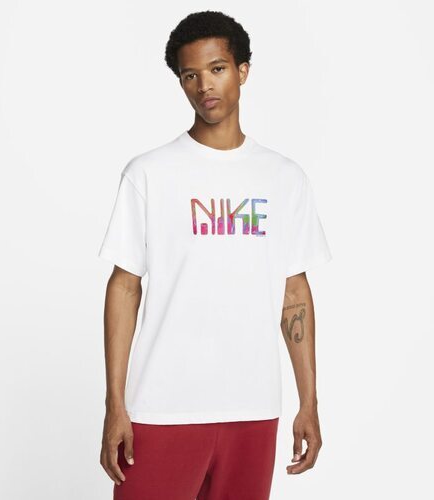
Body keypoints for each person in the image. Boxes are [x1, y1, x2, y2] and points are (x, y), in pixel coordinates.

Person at [97, 10, 332, 500]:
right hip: (162, 408)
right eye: (190, 75)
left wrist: (308, 401)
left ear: (243, 70)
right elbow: (124, 286)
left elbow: (294, 292)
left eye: (217, 68)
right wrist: (115, 404)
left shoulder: (284, 178)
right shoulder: (149, 174)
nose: (204, 85)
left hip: (254, 408)